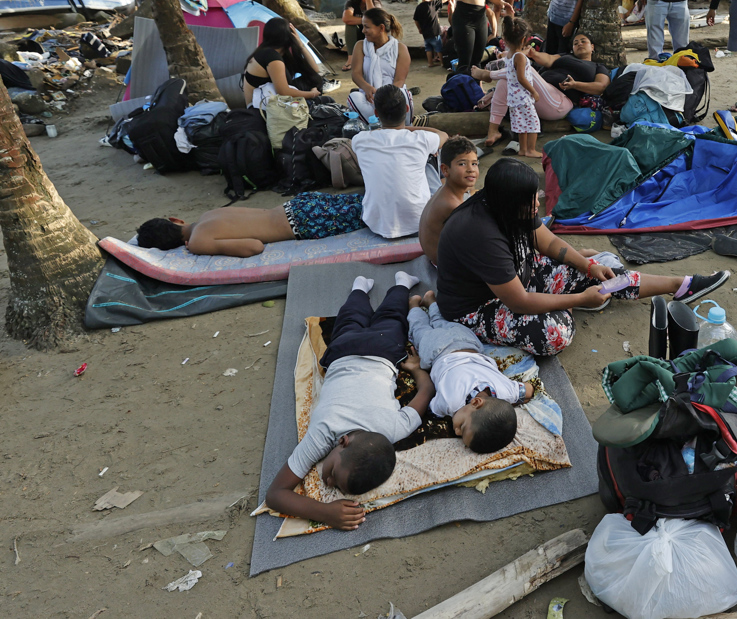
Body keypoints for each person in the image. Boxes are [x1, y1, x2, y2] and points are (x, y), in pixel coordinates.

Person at [436, 159, 730, 355]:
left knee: (604, 273)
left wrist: (588, 264)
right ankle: (569, 304)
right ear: (511, 202)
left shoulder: (504, 203)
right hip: (478, 307)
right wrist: (579, 300)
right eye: (532, 200)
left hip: (518, 276)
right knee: (555, 333)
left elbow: (546, 241)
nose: (537, 203)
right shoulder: (479, 233)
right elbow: (518, 302)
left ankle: (681, 285)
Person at [263, 271, 428, 530]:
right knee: (372, 318)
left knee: (378, 317)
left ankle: (380, 286)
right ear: (343, 441)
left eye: (333, 484)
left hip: (377, 350)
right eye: (332, 475)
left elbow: (424, 395)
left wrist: (418, 372)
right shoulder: (324, 432)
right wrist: (324, 512)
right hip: (354, 351)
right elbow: (274, 495)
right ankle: (375, 287)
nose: (327, 482)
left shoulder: (393, 430)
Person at [406, 290, 532, 451]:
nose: (456, 432)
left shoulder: (507, 391)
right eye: (463, 427)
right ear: (476, 402)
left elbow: (529, 390)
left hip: (468, 342)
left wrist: (514, 401)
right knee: (419, 329)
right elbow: (431, 409)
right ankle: (413, 305)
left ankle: (431, 301)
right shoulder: (450, 403)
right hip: (435, 351)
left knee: (441, 321)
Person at [352, 84, 449, 239]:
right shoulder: (421, 139)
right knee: (430, 158)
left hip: (376, 223)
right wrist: (408, 129)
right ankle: (441, 194)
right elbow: (443, 135)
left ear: (376, 113)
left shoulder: (360, 140)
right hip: (421, 222)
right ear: (406, 109)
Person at [137, 192, 367, 256]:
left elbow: (255, 246)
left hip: (304, 222)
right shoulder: (208, 214)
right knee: (367, 199)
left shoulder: (198, 242)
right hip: (298, 204)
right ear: (176, 221)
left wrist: (197, 247)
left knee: (372, 213)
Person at [419, 136, 479, 265]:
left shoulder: (445, 190)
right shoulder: (452, 204)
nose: (471, 169)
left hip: (436, 255)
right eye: (462, 164)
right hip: (446, 264)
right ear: (445, 169)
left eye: (474, 163)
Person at [242, 18, 324, 108]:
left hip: (269, 101)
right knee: (326, 101)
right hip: (260, 108)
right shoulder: (271, 57)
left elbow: (314, 70)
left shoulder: (274, 53)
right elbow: (284, 92)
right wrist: (311, 94)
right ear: (288, 37)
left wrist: (301, 45)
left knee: (315, 79)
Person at [348, 8, 412, 121]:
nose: (363, 31)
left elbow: (400, 81)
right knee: (354, 98)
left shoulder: (400, 48)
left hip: (392, 96)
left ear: (381, 28)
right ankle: (378, 125)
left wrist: (386, 98)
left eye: (367, 27)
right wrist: (367, 88)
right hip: (369, 98)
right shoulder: (360, 46)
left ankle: (397, 127)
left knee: (404, 95)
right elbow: (356, 74)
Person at [500, 18, 544, 159]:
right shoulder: (520, 57)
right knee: (533, 123)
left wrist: (524, 52)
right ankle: (531, 149)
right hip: (523, 97)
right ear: (524, 39)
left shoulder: (510, 55)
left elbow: (518, 56)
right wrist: (534, 91)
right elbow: (521, 78)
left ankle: (523, 149)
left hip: (513, 98)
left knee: (521, 125)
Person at [529, 33, 612, 104]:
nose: (579, 44)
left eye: (583, 41)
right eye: (575, 43)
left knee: (523, 67)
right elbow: (548, 59)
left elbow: (601, 87)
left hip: (560, 98)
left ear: (592, 47)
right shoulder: (565, 56)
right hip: (541, 87)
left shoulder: (598, 66)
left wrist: (575, 85)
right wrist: (534, 54)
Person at [342, 0, 382, 68]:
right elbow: (346, 18)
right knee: (349, 25)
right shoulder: (352, 3)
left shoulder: (375, 3)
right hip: (359, 34)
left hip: (373, 35)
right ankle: (351, 59)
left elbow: (374, 18)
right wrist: (365, 21)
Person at [413, 0, 448, 68]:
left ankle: (430, 63)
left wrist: (419, 29)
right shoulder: (433, 4)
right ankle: (442, 63)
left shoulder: (418, 7)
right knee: (439, 48)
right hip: (435, 32)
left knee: (428, 48)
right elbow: (443, 0)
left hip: (425, 33)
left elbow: (416, 20)